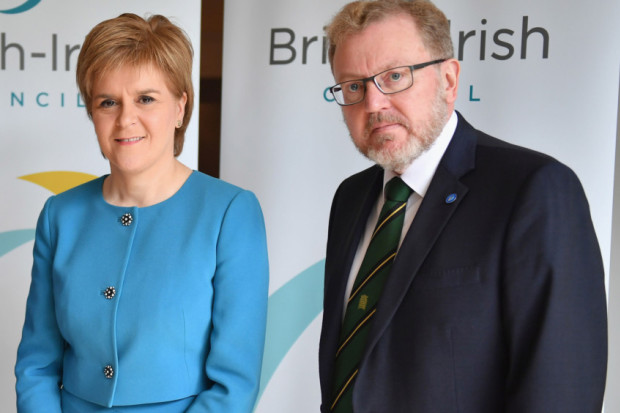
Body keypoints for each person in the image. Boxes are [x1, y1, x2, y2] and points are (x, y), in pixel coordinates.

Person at [318, 1, 608, 412]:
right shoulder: (351, 198)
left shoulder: (534, 190)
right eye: (353, 86)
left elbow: (561, 391)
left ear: (449, 79)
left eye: (395, 76)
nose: (373, 104)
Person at [15, 13, 269, 413]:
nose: (125, 119)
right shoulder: (59, 215)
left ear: (181, 107)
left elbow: (233, 385)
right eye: (108, 102)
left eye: (146, 99)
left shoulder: (230, 214)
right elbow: (36, 365)